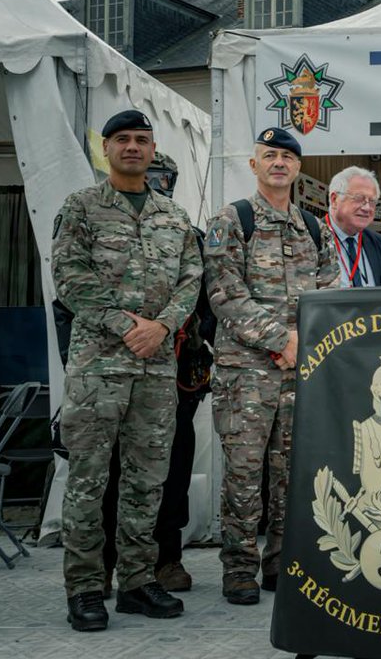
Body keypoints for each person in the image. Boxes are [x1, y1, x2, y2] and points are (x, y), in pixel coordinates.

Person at [52, 110, 202, 630]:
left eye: (141, 139)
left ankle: (139, 581)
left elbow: (191, 280)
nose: (132, 147)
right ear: (107, 149)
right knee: (89, 479)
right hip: (98, 368)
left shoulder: (174, 217)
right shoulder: (82, 208)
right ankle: (87, 587)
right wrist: (125, 324)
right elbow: (69, 276)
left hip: (156, 369)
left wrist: (160, 328)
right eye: (123, 140)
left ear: (153, 146)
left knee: (147, 480)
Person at [203, 128, 339, 605]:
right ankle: (239, 568)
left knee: (292, 471)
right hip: (246, 373)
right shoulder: (231, 220)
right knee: (243, 473)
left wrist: (304, 344)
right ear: (254, 164)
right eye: (270, 156)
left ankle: (283, 563)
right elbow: (225, 294)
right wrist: (284, 341)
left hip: (299, 372)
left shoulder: (315, 228)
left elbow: (330, 293)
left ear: (298, 168)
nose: (279, 163)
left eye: (287, 156)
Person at [99, 152, 216, 596]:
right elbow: (69, 299)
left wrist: (201, 341)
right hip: (113, 371)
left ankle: (168, 558)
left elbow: (209, 300)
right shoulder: (100, 224)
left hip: (175, 378)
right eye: (151, 176)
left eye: (164, 178)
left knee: (174, 471)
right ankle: (109, 563)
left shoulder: (190, 233)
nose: (156, 184)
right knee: (112, 472)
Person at [326, 166, 381, 287]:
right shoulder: (311, 238)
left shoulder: (380, 244)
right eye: (358, 199)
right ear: (334, 199)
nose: (367, 208)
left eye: (372, 201)